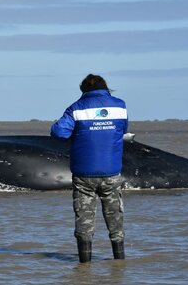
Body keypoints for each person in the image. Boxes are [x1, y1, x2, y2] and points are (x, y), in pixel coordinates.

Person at [50, 74, 128, 263]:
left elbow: (58, 132)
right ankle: (119, 262)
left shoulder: (76, 108)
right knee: (115, 217)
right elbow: (124, 129)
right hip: (111, 172)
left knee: (84, 220)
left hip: (84, 174)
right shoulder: (119, 106)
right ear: (106, 88)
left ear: (83, 90)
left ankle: (84, 267)